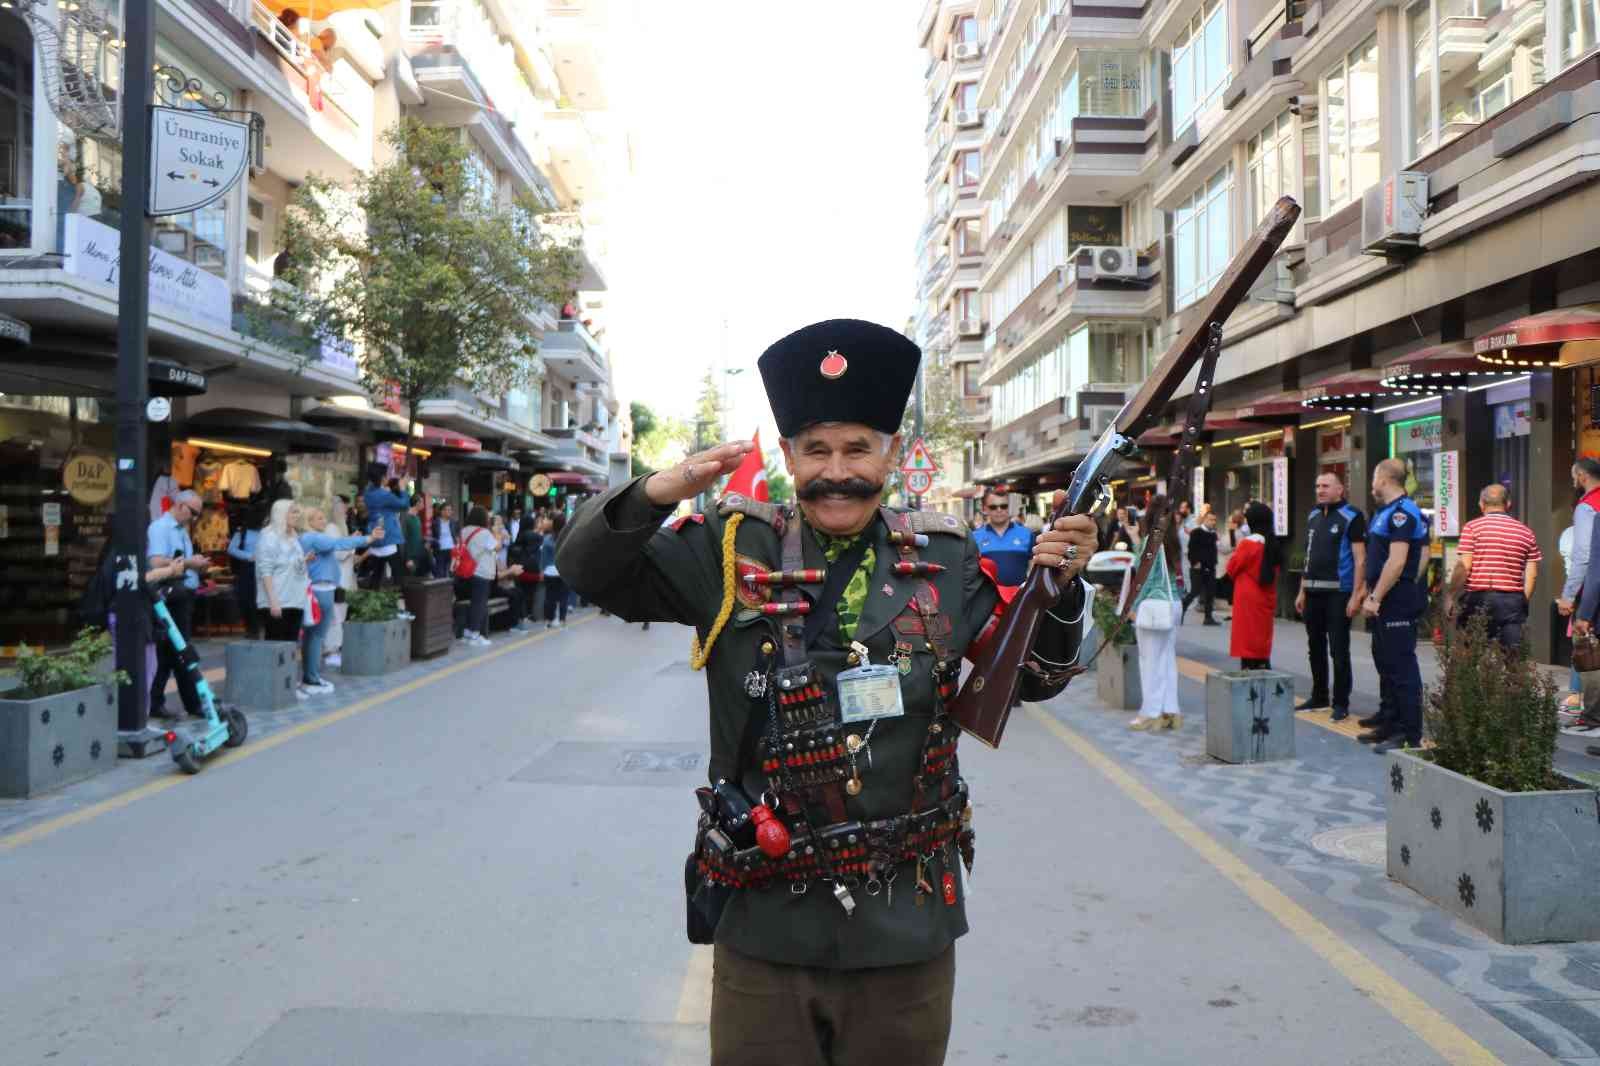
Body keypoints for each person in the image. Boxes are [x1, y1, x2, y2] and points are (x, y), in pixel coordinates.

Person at [555, 318, 1098, 1064]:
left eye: (855, 449)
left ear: (891, 454)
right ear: (787, 457)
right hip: (764, 923)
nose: (836, 471)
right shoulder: (729, 546)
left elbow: (1033, 679)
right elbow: (588, 570)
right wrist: (660, 489)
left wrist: (1062, 590)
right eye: (816, 451)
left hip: (907, 926)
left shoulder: (944, 556)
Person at [1358, 458, 1431, 753]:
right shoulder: (1386, 512)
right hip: (1386, 595)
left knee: (1401, 666)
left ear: (1384, 479)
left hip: (1395, 600)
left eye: (1374, 477)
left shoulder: (1403, 513)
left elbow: (1398, 560)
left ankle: (1408, 733)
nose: (1372, 484)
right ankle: (1389, 721)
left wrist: (1378, 596)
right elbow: (1422, 553)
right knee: (1385, 661)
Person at [1293, 473, 1367, 720]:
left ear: (1340, 489)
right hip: (1312, 592)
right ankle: (1319, 695)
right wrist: (1302, 590)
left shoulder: (1352, 516)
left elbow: (1360, 559)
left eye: (1325, 486)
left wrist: (1356, 594)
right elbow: (1308, 556)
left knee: (1338, 649)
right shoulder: (1313, 515)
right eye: (1317, 486)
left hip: (1339, 592)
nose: (1320, 490)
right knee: (1314, 647)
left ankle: (1341, 702)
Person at [300, 503, 381, 694]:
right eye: (319, 518)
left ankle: (310, 677)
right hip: (322, 589)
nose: (324, 520)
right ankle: (312, 679)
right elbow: (338, 545)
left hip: (316, 589)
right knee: (317, 636)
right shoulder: (314, 537)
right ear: (309, 522)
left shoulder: (306, 538)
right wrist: (368, 538)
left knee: (312, 636)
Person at [1447, 484, 1540, 649]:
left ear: (1481, 504)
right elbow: (1531, 574)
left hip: (1478, 599)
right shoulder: (1526, 532)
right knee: (1512, 658)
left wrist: (1451, 596)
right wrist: (1521, 600)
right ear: (1508, 503)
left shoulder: (1472, 528)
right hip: (1512, 601)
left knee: (1469, 656)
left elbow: (1465, 567)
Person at [146, 489, 210, 720]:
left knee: (174, 652)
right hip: (170, 596)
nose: (194, 518)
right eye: (193, 512)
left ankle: (157, 702)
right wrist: (189, 563)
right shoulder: (160, 528)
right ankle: (191, 703)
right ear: (180, 505)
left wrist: (194, 565)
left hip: (183, 594)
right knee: (180, 651)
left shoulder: (181, 530)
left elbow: (179, 561)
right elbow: (155, 561)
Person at [1126, 510, 1184, 731]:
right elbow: (1180, 577)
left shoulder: (1150, 543)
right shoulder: (1174, 543)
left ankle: (1150, 713)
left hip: (1153, 606)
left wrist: (1133, 606)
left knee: (1149, 661)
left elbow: (1145, 578)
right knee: (1167, 659)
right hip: (1173, 604)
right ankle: (1171, 711)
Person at [1559, 459, 1600, 713]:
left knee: (1591, 655)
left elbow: (1584, 557)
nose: (1573, 481)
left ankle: (1594, 714)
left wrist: (1569, 596)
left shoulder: (1586, 507)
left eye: (1574, 476)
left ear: (1582, 476)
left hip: (1594, 596)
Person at [1226, 500, 1281, 669]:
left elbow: (1231, 568)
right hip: (1266, 595)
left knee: (1247, 640)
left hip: (1247, 598)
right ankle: (1263, 664)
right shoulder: (1273, 543)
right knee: (1262, 637)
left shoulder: (1248, 544)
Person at [256, 499, 311, 658]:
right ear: (281, 514)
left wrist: (304, 561)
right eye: (293, 512)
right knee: (275, 647)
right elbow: (265, 571)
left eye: (297, 511)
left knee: (291, 646)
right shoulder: (269, 536)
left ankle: (286, 680)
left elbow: (291, 565)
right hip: (278, 601)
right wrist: (273, 601)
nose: (297, 515)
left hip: (295, 599)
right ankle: (273, 682)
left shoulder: (293, 536)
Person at [324, 495, 360, 669]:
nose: (346, 513)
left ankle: (335, 649)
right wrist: (352, 543)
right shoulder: (332, 528)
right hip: (337, 579)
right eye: (344, 509)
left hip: (344, 578)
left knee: (340, 614)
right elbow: (338, 552)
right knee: (336, 616)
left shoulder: (340, 527)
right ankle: (332, 651)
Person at [972, 487, 1033, 586]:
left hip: (1019, 597)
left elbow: (1033, 569)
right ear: (984, 509)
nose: (999, 510)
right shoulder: (974, 537)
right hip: (986, 599)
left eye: (1003, 506)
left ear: (1009, 507)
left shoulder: (1027, 534)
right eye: (993, 507)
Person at [360, 465, 408, 590]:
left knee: (377, 574)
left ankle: (374, 600)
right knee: (398, 575)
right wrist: (402, 488)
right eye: (386, 474)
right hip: (388, 535)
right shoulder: (384, 495)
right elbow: (404, 505)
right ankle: (401, 602)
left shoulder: (368, 492)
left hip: (375, 534)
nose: (388, 477)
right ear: (382, 477)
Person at [458, 506, 499, 646]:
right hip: (481, 571)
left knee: (473, 602)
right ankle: (475, 634)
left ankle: (468, 633)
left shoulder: (463, 531)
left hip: (466, 571)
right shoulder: (485, 533)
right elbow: (496, 547)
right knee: (479, 603)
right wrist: (496, 531)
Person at [227, 507, 261, 640]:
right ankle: (252, 628)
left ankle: (258, 626)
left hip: (263, 568)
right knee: (247, 599)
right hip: (248, 569)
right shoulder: (242, 532)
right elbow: (231, 549)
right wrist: (248, 556)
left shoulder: (267, 532)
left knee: (259, 599)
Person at [1183, 508, 1220, 625]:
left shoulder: (1213, 534)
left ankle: (1208, 618)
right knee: (1194, 591)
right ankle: (1180, 611)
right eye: (1210, 519)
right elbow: (1191, 550)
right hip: (1198, 568)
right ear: (1204, 520)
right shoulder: (1196, 532)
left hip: (1211, 567)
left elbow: (1213, 550)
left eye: (1214, 520)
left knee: (1210, 592)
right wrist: (1195, 563)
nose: (1213, 522)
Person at [540, 512, 571, 628]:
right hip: (563, 570)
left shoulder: (547, 538)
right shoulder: (567, 538)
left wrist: (542, 570)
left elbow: (543, 557)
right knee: (564, 596)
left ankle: (548, 619)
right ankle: (562, 620)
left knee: (550, 597)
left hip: (549, 571)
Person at [402, 494, 427, 576]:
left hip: (418, 554)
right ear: (417, 503)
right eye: (422, 502)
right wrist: (407, 558)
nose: (424, 504)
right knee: (409, 580)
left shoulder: (417, 517)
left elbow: (417, 535)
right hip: (410, 557)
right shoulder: (406, 518)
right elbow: (403, 538)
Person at [433, 501, 459, 579]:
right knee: (440, 572)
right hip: (440, 550)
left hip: (452, 549)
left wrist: (457, 545)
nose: (449, 512)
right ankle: (441, 589)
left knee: (452, 571)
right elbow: (433, 536)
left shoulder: (453, 522)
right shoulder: (435, 522)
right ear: (442, 511)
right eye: (447, 510)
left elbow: (457, 535)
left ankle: (452, 589)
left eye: (450, 510)